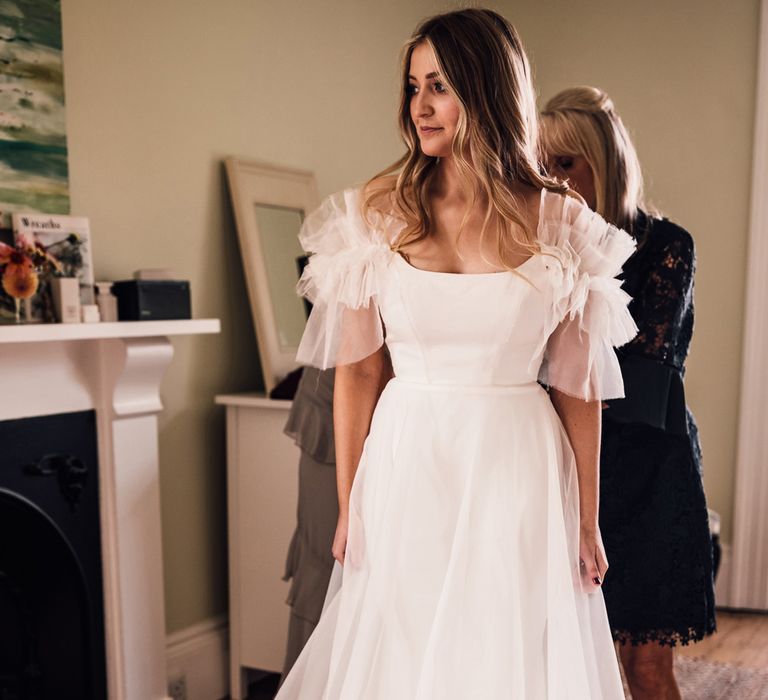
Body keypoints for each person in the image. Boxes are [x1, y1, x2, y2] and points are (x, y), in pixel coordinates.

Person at [276, 9, 637, 698]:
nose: (419, 107)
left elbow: (578, 389)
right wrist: (351, 505)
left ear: (486, 89)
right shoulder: (375, 213)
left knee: (504, 655)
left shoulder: (562, 223)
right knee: (405, 657)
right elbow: (357, 373)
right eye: (412, 87)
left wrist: (587, 522)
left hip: (519, 467)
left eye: (437, 86)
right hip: (408, 462)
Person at [540, 86, 716, 700]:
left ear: (605, 166)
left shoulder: (668, 248)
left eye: (566, 164)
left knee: (644, 668)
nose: (553, 182)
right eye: (541, 165)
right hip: (563, 470)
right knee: (562, 666)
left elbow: (639, 376)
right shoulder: (539, 249)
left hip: (649, 478)